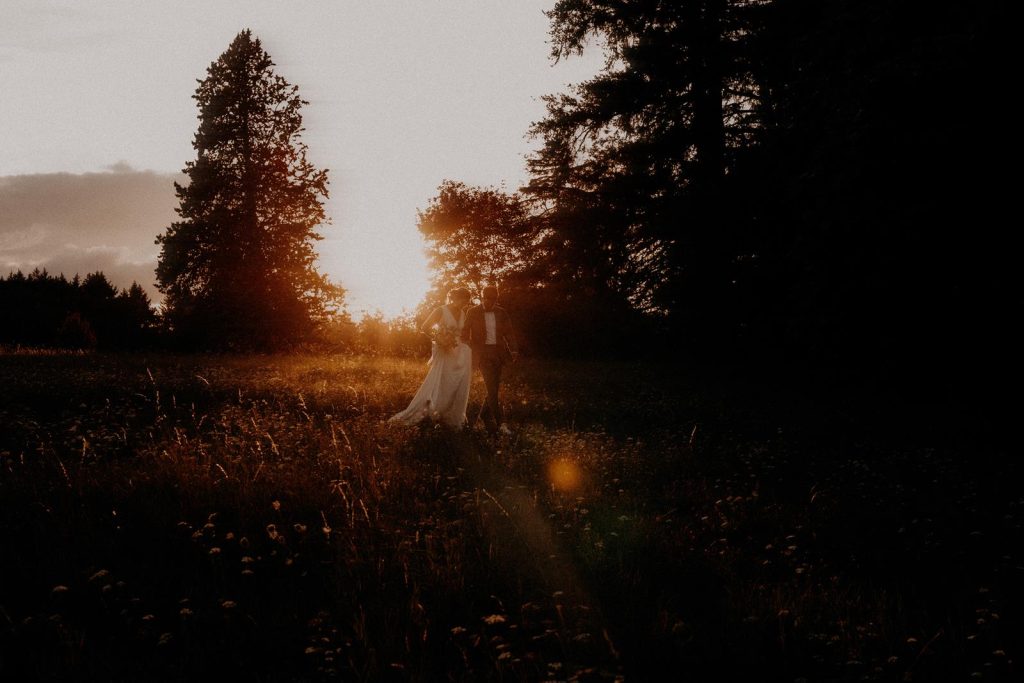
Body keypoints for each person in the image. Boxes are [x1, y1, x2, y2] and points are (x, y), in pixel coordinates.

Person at [390, 288, 473, 428]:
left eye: (466, 301)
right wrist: (439, 339)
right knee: (441, 381)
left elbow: (461, 333)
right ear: (454, 298)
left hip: (458, 351)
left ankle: (449, 414)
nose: (463, 304)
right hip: (444, 349)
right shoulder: (441, 310)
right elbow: (425, 327)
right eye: (462, 300)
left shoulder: (462, 313)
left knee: (455, 383)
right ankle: (433, 411)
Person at [464, 285, 518, 434]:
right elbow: (464, 333)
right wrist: (472, 347)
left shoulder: (502, 313)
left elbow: (509, 332)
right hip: (483, 355)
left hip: (499, 354)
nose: (489, 301)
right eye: (487, 298)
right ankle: (502, 423)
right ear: (482, 297)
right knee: (492, 389)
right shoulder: (472, 312)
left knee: (494, 387)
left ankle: (483, 415)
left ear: (496, 299)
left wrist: (513, 349)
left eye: (493, 299)